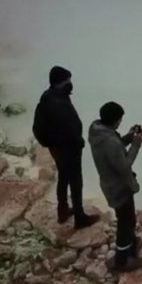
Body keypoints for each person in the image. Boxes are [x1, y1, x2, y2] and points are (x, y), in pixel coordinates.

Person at [32, 66, 99, 229]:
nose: (70, 83)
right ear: (60, 82)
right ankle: (80, 217)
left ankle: (62, 210)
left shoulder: (49, 96)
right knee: (76, 182)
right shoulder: (57, 102)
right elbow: (68, 127)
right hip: (68, 148)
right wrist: (78, 141)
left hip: (57, 148)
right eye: (67, 80)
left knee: (63, 177)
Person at [88, 101, 142, 272]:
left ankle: (132, 244)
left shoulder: (98, 131)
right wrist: (136, 144)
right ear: (115, 120)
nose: (121, 122)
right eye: (120, 120)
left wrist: (129, 137)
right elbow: (124, 165)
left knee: (128, 218)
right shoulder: (109, 142)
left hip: (110, 184)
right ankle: (122, 260)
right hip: (119, 187)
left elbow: (115, 149)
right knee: (125, 223)